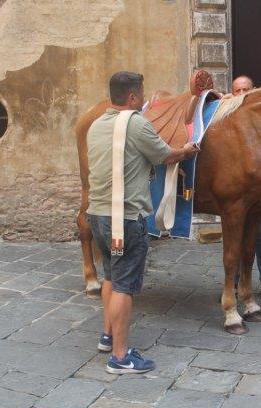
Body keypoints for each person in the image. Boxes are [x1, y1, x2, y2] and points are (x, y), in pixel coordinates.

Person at [87, 71, 198, 374]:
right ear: (133, 97)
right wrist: (186, 150)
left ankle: (108, 336)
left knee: (110, 276)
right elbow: (165, 155)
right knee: (124, 285)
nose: (144, 99)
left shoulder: (97, 124)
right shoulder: (136, 123)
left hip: (98, 215)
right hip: (125, 218)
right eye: (142, 94)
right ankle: (121, 357)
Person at [231, 75, 261, 302]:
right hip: (236, 190)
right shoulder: (227, 115)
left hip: (259, 187)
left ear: (254, 90)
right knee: (235, 236)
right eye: (237, 91)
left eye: (246, 89)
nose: (242, 94)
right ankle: (234, 281)